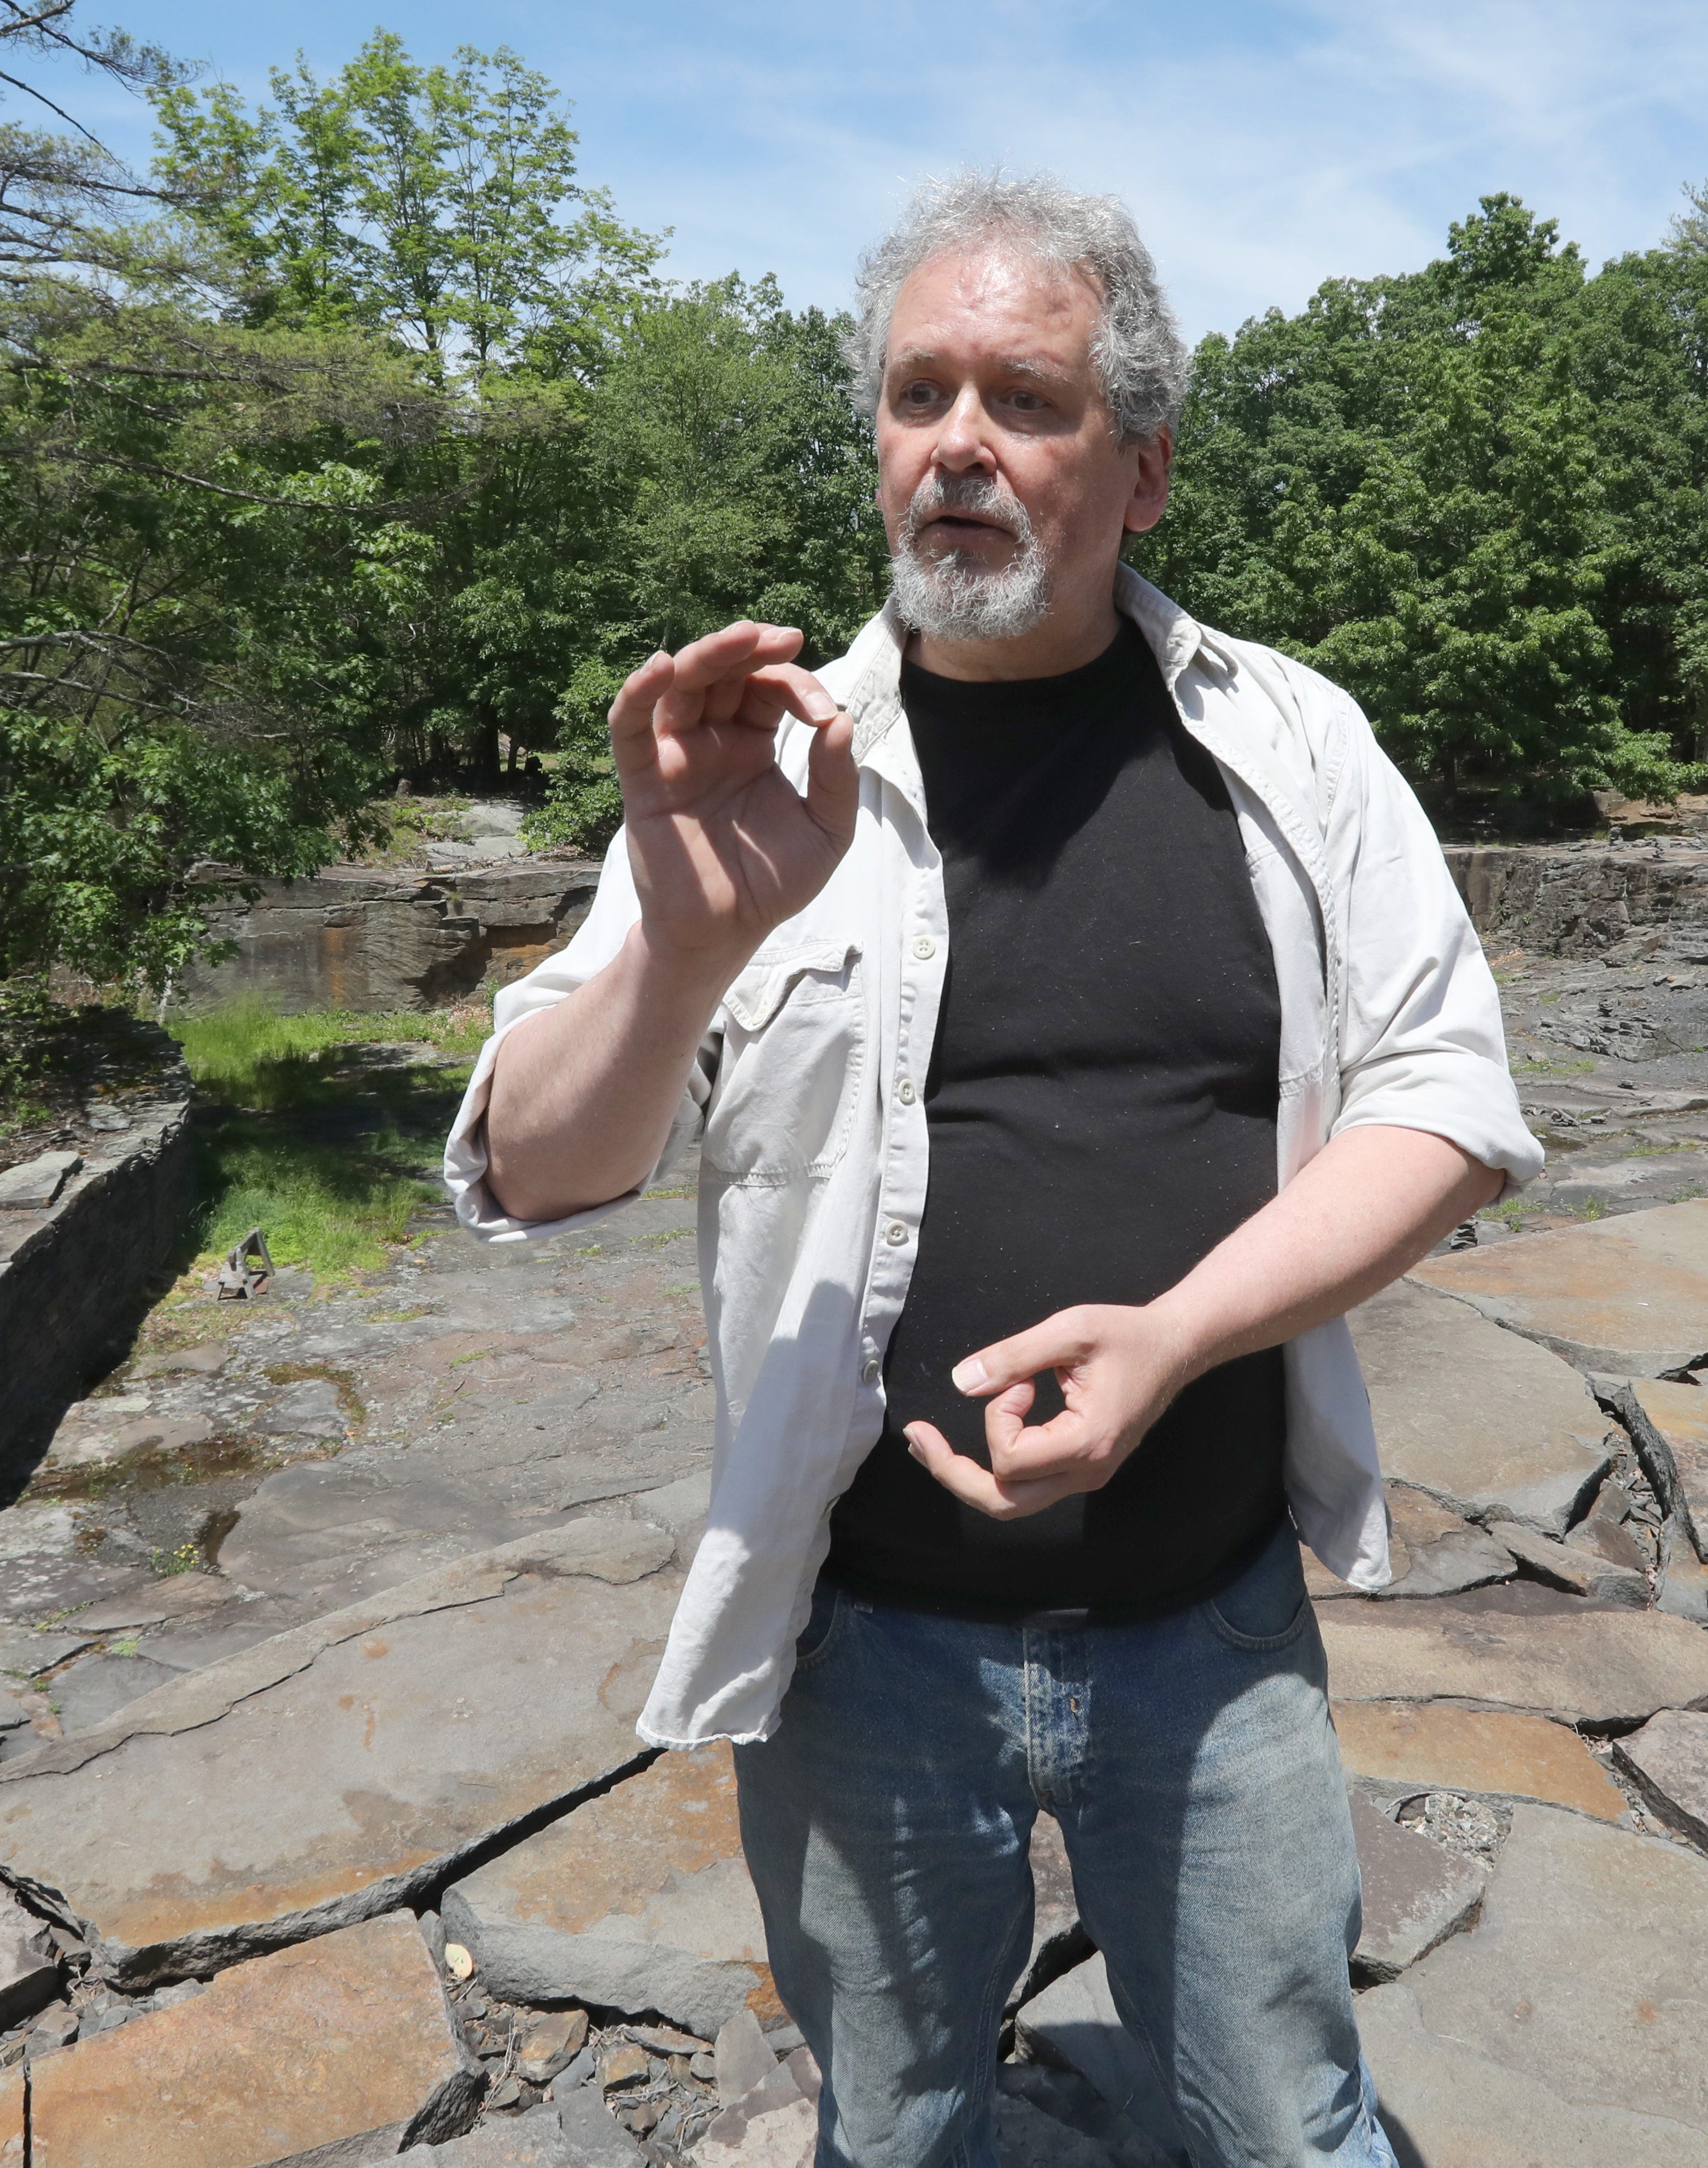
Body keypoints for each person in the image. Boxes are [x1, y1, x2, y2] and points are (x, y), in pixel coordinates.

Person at [447, 172, 1539, 2168]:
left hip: (1208, 1631)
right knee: (899, 2130)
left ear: (1144, 465)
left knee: (1289, 2129)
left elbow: (1450, 1105)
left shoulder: (1295, 748)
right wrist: (687, 942)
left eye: (1023, 399)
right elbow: (540, 1171)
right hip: (865, 1636)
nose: (955, 442)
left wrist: (1182, 1337)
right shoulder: (761, 774)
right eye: (915, 392)